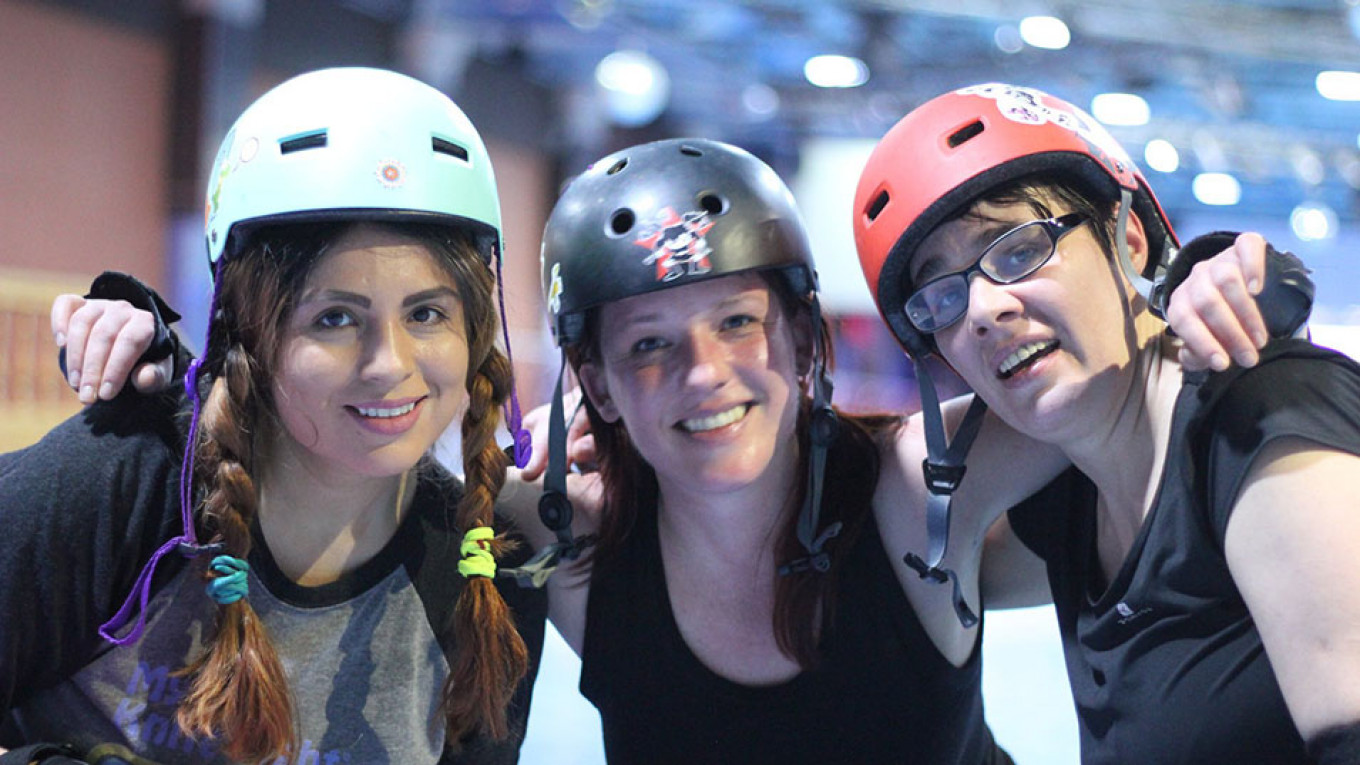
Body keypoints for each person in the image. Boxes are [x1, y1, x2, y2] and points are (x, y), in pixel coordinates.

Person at [57, 136, 1283, 764]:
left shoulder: (922, 489)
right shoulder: (557, 540)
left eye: (736, 324)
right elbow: (340, 469)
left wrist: (1219, 277)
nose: (704, 380)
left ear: (802, 339)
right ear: (591, 379)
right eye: (648, 348)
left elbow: (1113, 380)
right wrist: (166, 358)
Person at [0, 67, 547, 765]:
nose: (390, 362)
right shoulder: (121, 484)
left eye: (427, 312)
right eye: (336, 317)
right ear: (252, 328)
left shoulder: (484, 573)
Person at [852, 82, 1360, 764]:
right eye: (941, 296)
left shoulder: (1262, 417)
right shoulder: (1070, 509)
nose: (982, 310)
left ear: (1128, 237)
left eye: (1017, 248)